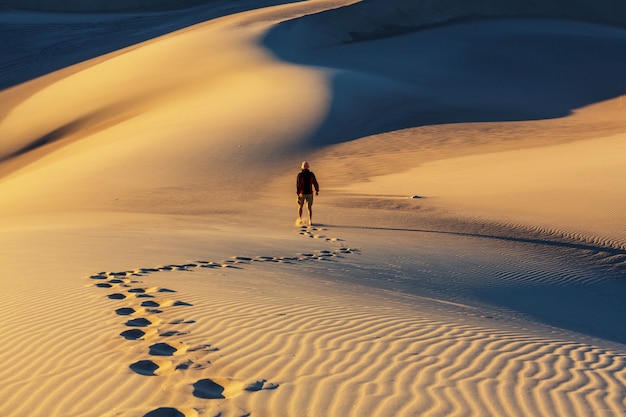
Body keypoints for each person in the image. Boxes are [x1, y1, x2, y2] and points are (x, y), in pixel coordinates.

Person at [296, 161, 319, 226]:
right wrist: (317, 190)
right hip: (309, 193)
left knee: (300, 206)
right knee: (309, 207)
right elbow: (315, 182)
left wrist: (298, 194)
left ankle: (300, 219)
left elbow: (298, 185)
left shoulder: (300, 175)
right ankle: (310, 221)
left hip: (302, 193)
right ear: (308, 167)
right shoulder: (311, 174)